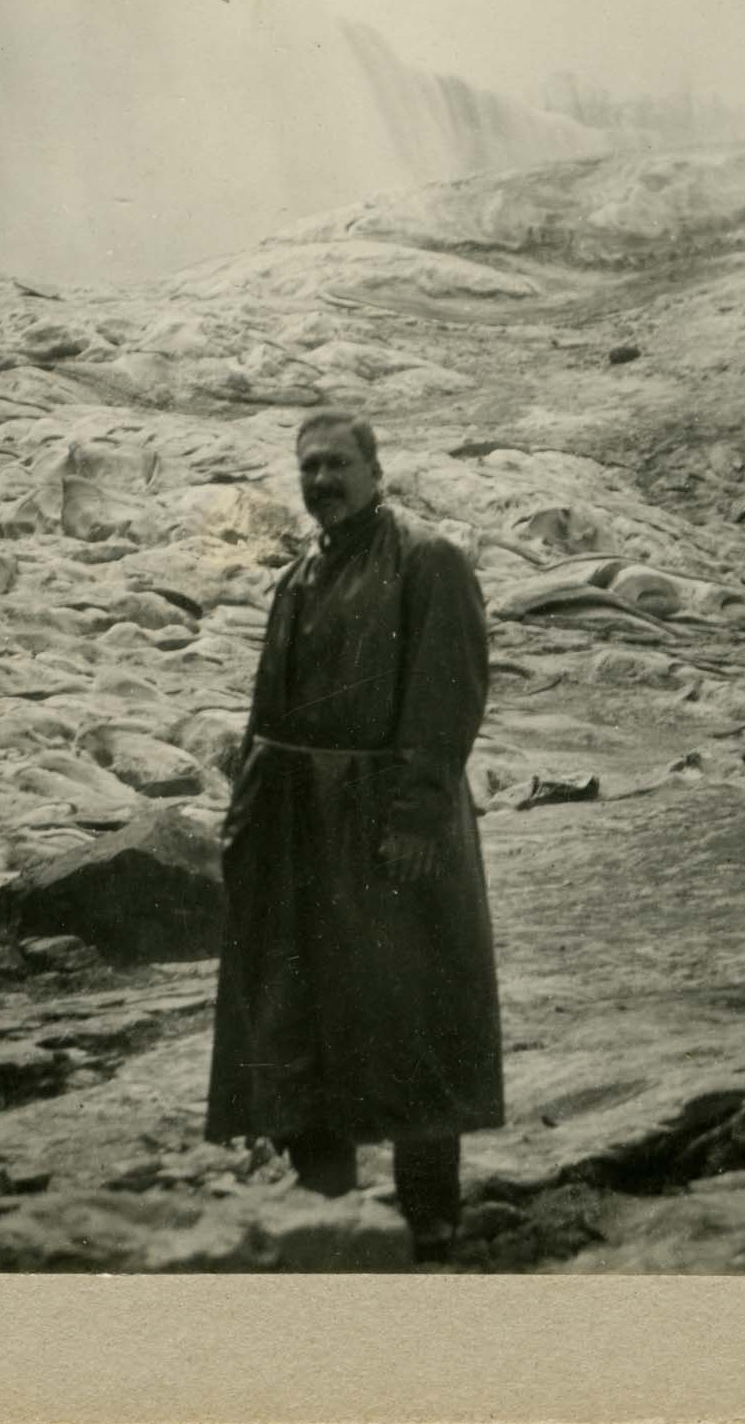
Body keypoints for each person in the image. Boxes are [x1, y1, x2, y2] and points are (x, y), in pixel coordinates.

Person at [203, 408, 506, 1261]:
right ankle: (324, 1203)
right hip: (296, 823)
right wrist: (248, 820)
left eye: (336, 465)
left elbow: (448, 695)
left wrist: (417, 818)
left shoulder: (427, 560)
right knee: (301, 1006)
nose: (321, 482)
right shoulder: (299, 575)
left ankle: (430, 1213)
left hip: (387, 819)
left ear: (376, 470)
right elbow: (267, 712)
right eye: (308, 469)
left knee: (413, 1004)